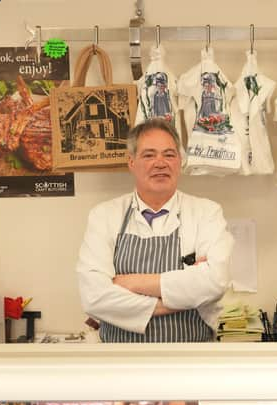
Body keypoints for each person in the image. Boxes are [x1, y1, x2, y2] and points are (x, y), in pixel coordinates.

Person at [77, 117, 234, 344]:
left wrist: (130, 283)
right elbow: (94, 297)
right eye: (149, 155)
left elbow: (215, 282)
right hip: (120, 364)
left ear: (180, 161)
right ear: (131, 162)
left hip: (191, 362)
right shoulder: (104, 216)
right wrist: (176, 300)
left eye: (169, 154)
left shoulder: (207, 212)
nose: (160, 163)